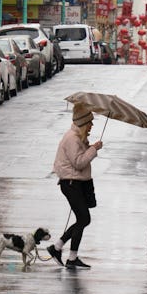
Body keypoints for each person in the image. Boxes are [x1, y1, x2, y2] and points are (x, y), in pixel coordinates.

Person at [48, 104, 103, 269]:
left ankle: (64, 252)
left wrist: (88, 145)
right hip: (70, 183)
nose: (92, 126)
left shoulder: (78, 137)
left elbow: (79, 159)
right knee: (84, 219)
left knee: (82, 219)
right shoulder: (72, 138)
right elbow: (78, 163)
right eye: (90, 123)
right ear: (83, 122)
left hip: (76, 183)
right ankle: (61, 251)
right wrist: (93, 149)